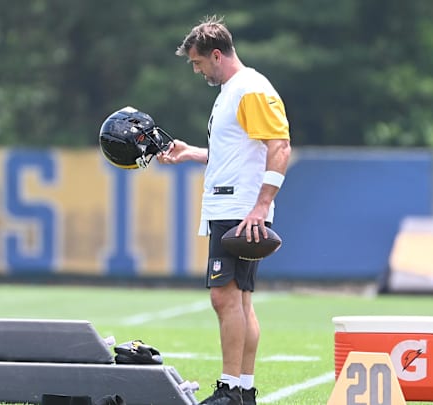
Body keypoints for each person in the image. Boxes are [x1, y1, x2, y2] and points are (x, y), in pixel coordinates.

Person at [158, 16, 291, 405]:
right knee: (240, 300)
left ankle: (230, 389)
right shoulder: (233, 91)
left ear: (217, 55)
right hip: (234, 205)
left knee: (224, 298)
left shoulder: (250, 88)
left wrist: (261, 205)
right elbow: (233, 153)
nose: (197, 71)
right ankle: (244, 390)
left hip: (240, 208)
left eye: (198, 63)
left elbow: (279, 146)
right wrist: (190, 153)